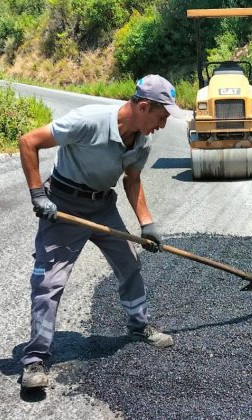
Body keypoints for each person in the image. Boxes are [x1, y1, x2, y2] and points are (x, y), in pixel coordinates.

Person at [17, 75, 183, 389]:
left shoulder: (142, 139)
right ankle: (35, 359)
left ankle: (138, 325)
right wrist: (38, 194)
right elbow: (29, 141)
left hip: (102, 205)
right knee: (48, 280)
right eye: (161, 117)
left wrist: (147, 223)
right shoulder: (89, 121)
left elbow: (131, 180)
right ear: (144, 106)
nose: (162, 125)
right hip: (63, 205)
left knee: (129, 263)